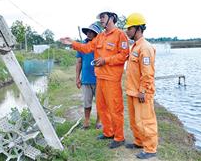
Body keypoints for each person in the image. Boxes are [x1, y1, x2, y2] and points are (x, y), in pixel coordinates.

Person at [60, 11, 129, 149]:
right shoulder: (101, 36)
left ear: (112, 18)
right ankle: (108, 132)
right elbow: (86, 48)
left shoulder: (120, 35)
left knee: (115, 108)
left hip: (112, 79)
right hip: (100, 78)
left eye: (103, 17)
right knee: (102, 107)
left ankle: (119, 137)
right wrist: (72, 43)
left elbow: (124, 55)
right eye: (100, 18)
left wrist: (105, 60)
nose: (101, 20)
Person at [123, 13, 158, 159]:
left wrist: (143, 90)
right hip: (133, 91)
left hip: (141, 92)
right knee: (135, 120)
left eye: (129, 28)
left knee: (146, 120)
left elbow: (147, 73)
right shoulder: (135, 47)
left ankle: (150, 149)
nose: (127, 31)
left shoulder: (145, 48)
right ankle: (138, 142)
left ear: (138, 28)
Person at [76, 23, 102, 129]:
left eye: (92, 32)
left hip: (99, 79)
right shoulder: (82, 46)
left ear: (96, 34)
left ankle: (98, 122)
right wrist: (77, 78)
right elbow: (79, 62)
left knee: (100, 103)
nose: (89, 33)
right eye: (88, 32)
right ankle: (86, 122)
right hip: (86, 79)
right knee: (87, 102)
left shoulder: (101, 46)